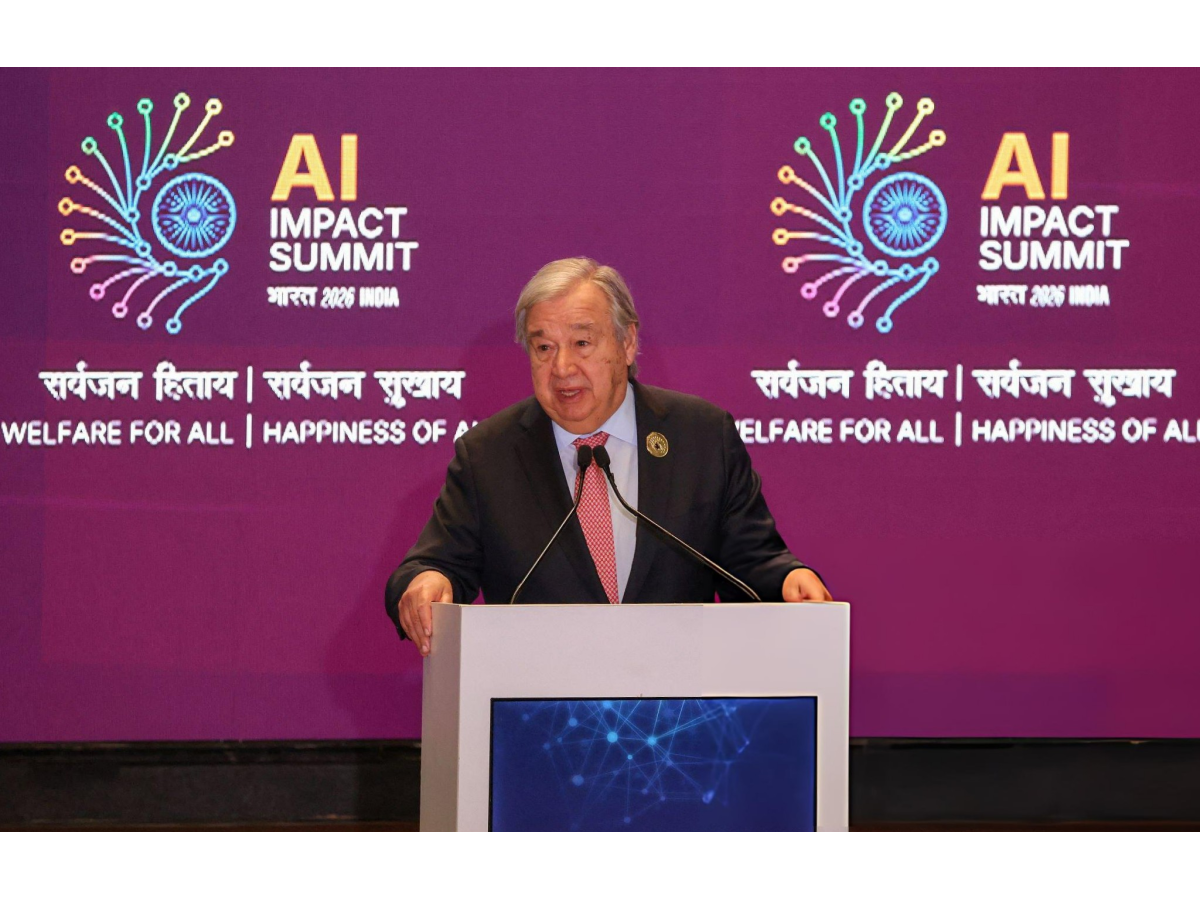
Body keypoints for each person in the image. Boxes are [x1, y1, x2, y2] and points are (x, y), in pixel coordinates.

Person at [386, 258, 831, 655]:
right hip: (540, 707)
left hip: (678, 703)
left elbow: (751, 562)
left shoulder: (701, 436)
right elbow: (432, 565)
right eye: (544, 348)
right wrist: (426, 583)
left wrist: (787, 581)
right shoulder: (489, 455)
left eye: (582, 343)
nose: (562, 368)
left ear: (627, 342)